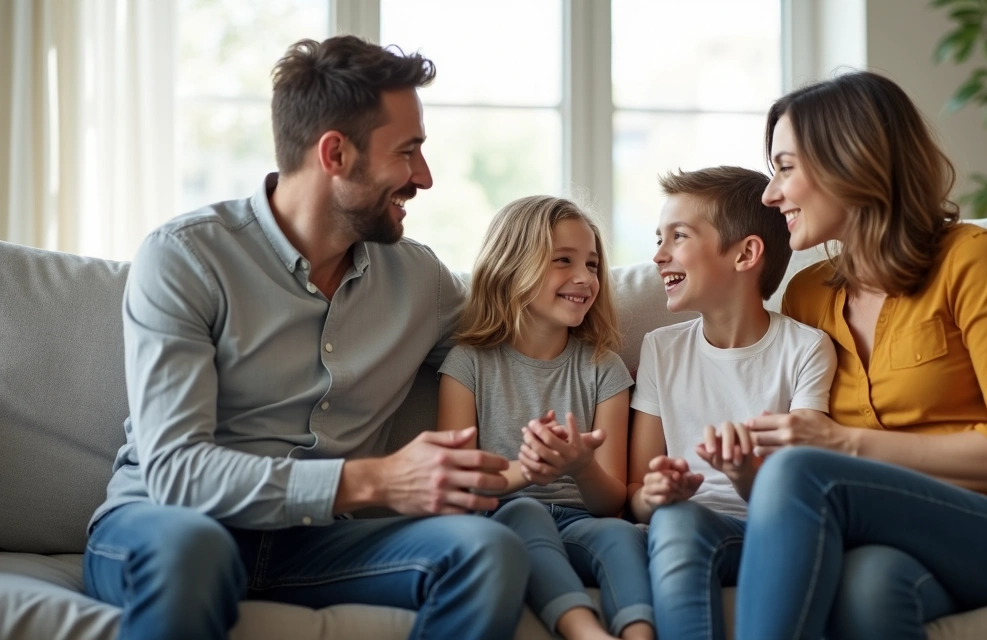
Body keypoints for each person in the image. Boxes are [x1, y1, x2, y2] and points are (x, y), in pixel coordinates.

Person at [82, 36, 529, 640]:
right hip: (168, 526)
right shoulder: (186, 257)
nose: (424, 177)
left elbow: (505, 345)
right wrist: (377, 480)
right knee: (193, 550)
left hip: (317, 542)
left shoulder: (419, 280)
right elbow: (178, 472)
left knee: (485, 551)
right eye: (409, 151)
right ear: (336, 154)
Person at [732, 71, 987, 640]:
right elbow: (790, 476)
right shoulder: (807, 297)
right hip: (892, 537)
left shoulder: (974, 263)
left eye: (785, 168)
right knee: (871, 587)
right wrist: (748, 466)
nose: (770, 193)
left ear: (850, 161)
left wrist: (840, 444)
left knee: (809, 474)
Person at [625, 167, 838, 640]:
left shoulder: (807, 349)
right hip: (680, 527)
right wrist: (655, 496)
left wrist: (744, 471)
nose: (659, 256)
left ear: (745, 253)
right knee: (677, 521)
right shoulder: (661, 348)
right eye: (659, 238)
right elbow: (636, 493)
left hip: (768, 530)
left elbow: (801, 499)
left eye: (677, 237)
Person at [435, 195, 654, 640]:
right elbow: (453, 486)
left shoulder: (603, 368)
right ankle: (584, 632)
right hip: (502, 518)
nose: (584, 278)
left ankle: (638, 634)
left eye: (592, 265)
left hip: (582, 524)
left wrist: (581, 466)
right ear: (512, 268)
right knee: (526, 515)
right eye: (563, 260)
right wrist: (529, 471)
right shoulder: (468, 363)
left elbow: (612, 504)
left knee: (623, 537)